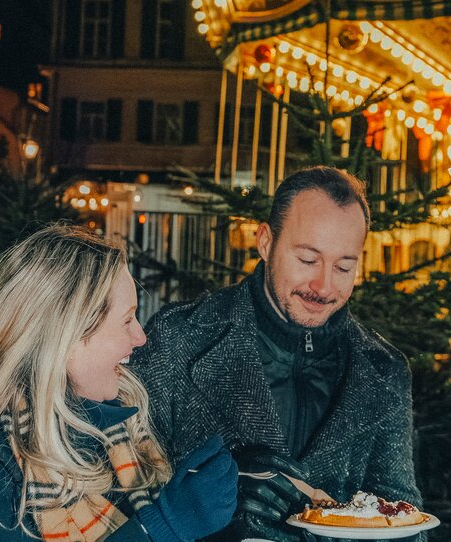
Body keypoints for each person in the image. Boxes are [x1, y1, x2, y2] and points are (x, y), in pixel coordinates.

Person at [0, 225, 238, 542]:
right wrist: (164, 526)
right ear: (66, 335)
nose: (140, 337)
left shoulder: (110, 428)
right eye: (127, 320)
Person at [132, 166, 424, 541]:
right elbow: (116, 492)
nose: (323, 285)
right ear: (266, 242)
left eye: (343, 267)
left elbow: (405, 527)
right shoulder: (178, 338)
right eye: (307, 260)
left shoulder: (383, 371)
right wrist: (212, 496)